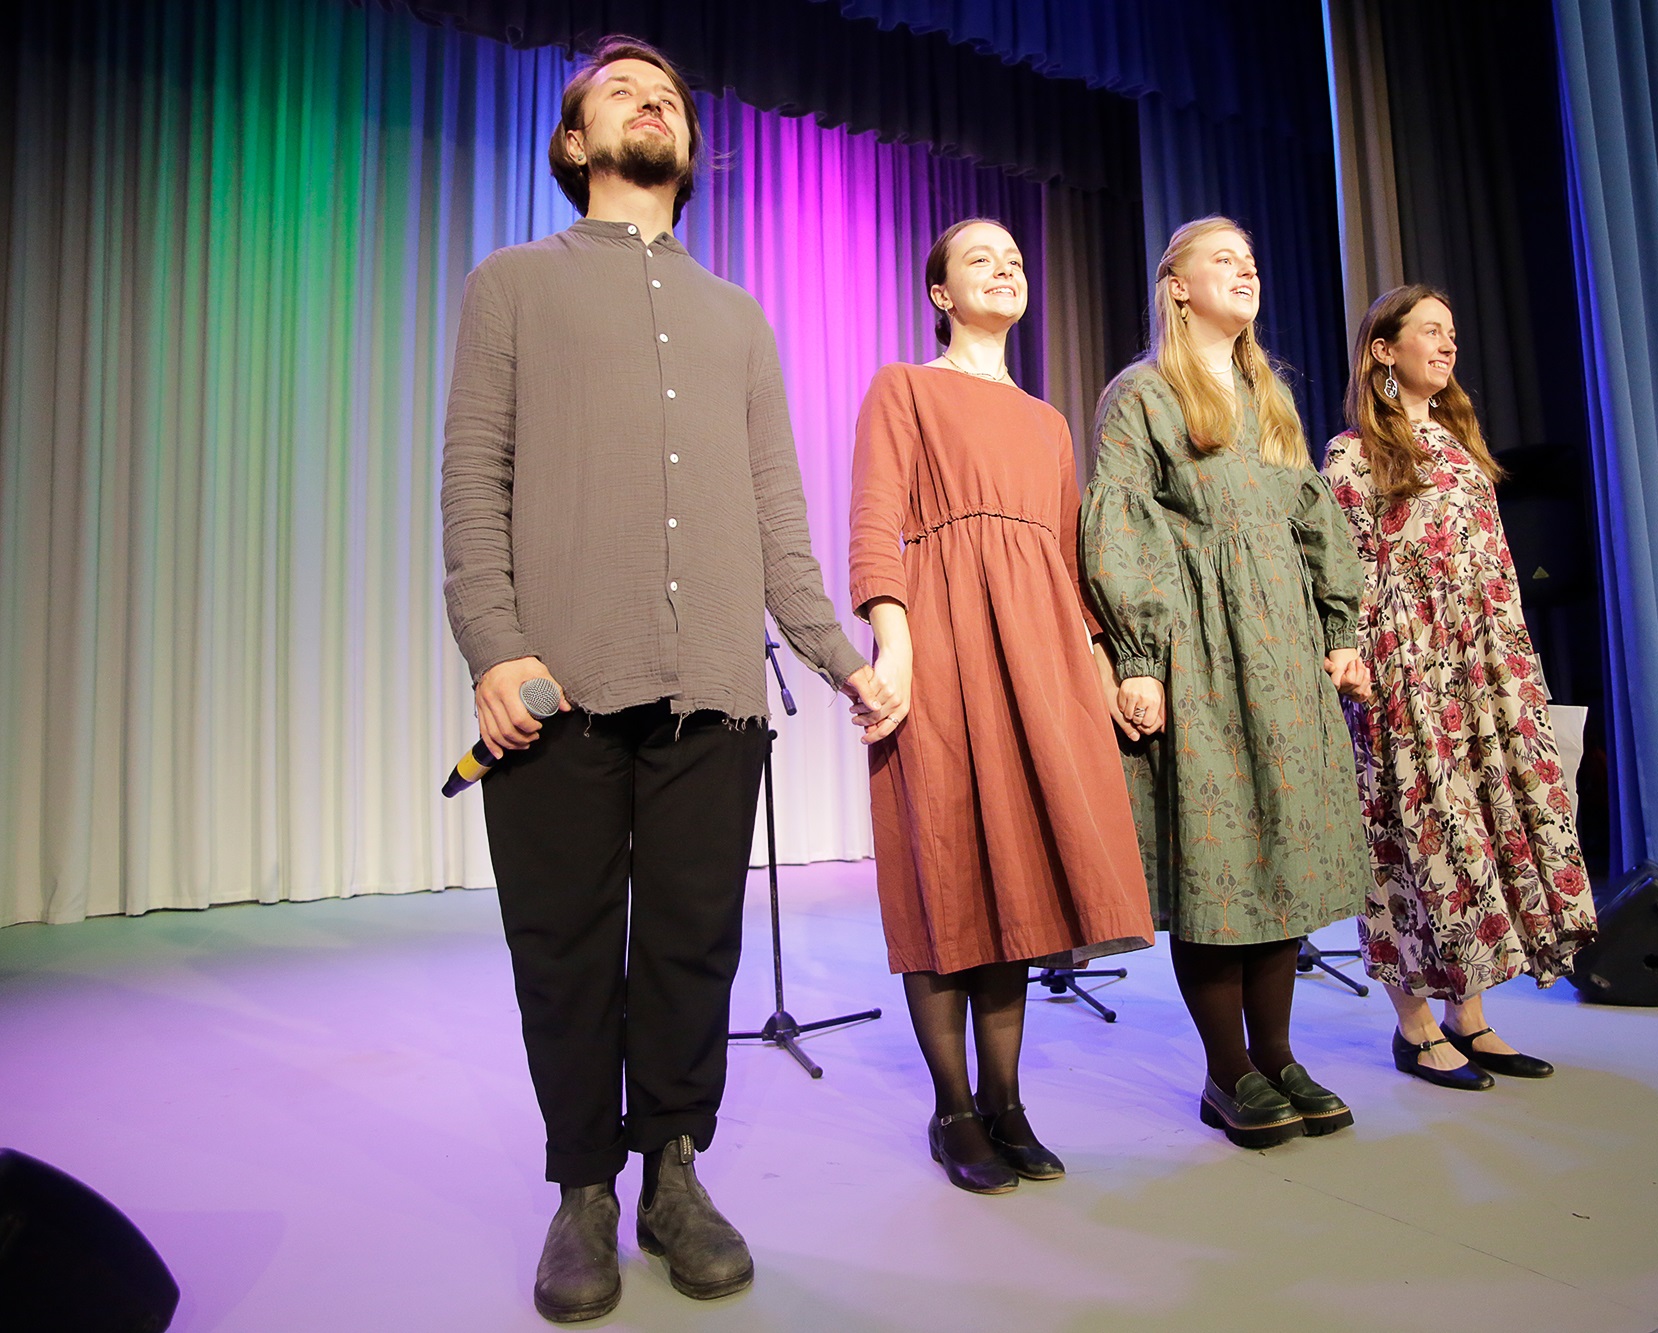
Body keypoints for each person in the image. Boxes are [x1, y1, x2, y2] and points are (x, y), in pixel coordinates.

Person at [441, 36, 893, 1323]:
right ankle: (583, 1188)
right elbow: (472, 481)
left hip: (713, 688)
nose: (654, 102)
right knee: (565, 947)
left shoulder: (738, 317)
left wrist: (841, 659)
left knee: (693, 945)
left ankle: (673, 1175)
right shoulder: (510, 284)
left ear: (689, 150)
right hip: (558, 684)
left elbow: (777, 517)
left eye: (673, 98)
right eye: (621, 90)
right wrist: (494, 647)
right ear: (572, 140)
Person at [848, 218, 1154, 1195]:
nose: (1005, 267)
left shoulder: (1047, 422)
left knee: (1016, 869)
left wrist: (1096, 666)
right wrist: (893, 644)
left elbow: (1065, 559)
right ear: (939, 294)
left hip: (1037, 653)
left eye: (1015, 257)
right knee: (945, 866)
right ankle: (953, 1109)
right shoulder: (904, 387)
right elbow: (873, 523)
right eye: (979, 257)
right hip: (942, 642)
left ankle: (1006, 1101)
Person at [1082, 216, 1374, 1151]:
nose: (1246, 270)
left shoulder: (1267, 394)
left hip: (1282, 643)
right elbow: (1118, 522)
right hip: (1199, 648)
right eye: (1224, 259)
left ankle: (1278, 1053)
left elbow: (1314, 515)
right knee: (1218, 858)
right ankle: (1226, 1068)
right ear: (1177, 285)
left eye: (1251, 259)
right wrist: (1138, 659)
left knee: (1279, 849)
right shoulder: (1142, 393)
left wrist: (1339, 629)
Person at [1322, 284, 1598, 1091]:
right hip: (1405, 669)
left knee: (1476, 828)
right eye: (1429, 331)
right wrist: (1360, 665)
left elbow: (1495, 565)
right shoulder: (1350, 455)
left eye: (1451, 332)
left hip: (1482, 666)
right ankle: (1413, 1027)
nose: (1447, 345)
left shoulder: (1455, 443)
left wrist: (1514, 664)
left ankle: (1468, 1018)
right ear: (1384, 350)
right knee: (1415, 838)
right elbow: (1346, 574)